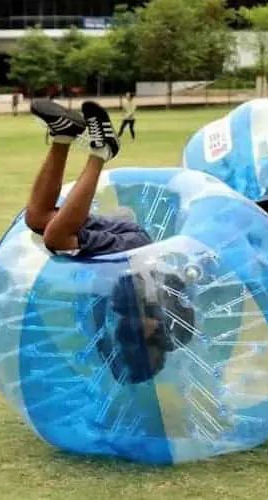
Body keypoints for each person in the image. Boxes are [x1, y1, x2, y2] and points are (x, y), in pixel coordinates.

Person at [26, 98, 195, 384]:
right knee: (57, 237)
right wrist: (156, 316)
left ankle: (63, 133)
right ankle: (102, 151)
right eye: (149, 339)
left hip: (121, 246)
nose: (146, 331)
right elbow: (176, 281)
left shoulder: (114, 329)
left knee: (38, 219)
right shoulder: (177, 332)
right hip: (134, 252)